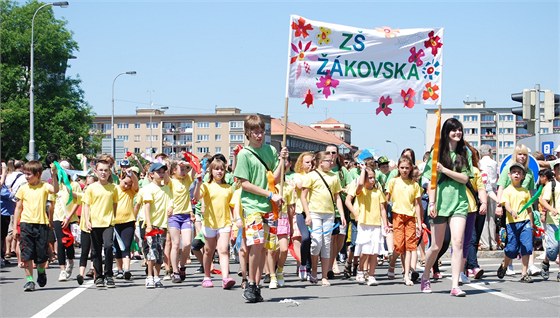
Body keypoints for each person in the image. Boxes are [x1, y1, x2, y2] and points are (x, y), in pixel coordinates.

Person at [233, 114, 288, 303]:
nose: (259, 135)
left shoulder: (270, 150)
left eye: (261, 131)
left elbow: (275, 176)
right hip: (253, 205)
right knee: (255, 245)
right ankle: (250, 283)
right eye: (255, 131)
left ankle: (256, 285)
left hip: (268, 207)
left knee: (265, 247)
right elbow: (244, 184)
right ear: (248, 133)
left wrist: (282, 160)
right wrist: (269, 194)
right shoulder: (244, 154)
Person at [420, 118, 471, 297]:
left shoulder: (465, 153)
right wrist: (431, 203)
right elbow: (430, 183)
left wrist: (445, 170)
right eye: (453, 130)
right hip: (440, 204)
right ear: (446, 132)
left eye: (459, 130)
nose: (457, 133)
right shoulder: (436, 153)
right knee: (436, 245)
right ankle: (425, 275)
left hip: (459, 203)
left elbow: (465, 179)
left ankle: (455, 285)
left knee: (457, 243)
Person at [301, 151, 347, 287]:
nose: (331, 162)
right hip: (315, 212)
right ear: (321, 162)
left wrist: (342, 214)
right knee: (316, 242)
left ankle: (324, 275)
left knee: (326, 244)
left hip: (329, 214)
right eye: (328, 160)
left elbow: (337, 197)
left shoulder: (334, 177)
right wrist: (308, 214)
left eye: (331, 160)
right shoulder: (311, 176)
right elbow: (303, 196)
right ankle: (314, 271)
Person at [14, 161, 59, 291]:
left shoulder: (45, 186)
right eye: (25, 174)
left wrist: (54, 175)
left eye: (29, 174)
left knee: (41, 255)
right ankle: (29, 281)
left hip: (41, 224)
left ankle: (41, 271)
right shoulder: (23, 188)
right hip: (26, 224)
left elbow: (55, 189)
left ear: (37, 174)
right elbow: (18, 208)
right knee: (27, 254)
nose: (26, 177)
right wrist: (15, 225)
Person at [193, 157, 235, 289]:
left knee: (223, 250)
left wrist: (234, 223)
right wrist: (199, 183)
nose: (219, 172)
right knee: (208, 251)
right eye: (216, 169)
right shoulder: (206, 186)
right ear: (211, 171)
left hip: (225, 222)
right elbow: (196, 197)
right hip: (209, 223)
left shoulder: (228, 188)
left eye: (222, 169)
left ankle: (225, 278)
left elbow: (232, 206)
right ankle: (207, 276)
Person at [346, 160, 388, 286]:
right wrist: (363, 170)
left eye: (373, 178)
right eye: (369, 178)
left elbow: (382, 209)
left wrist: (385, 223)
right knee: (365, 250)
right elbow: (359, 184)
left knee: (374, 251)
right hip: (364, 223)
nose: (372, 180)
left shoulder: (378, 192)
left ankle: (371, 275)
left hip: (376, 224)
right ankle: (360, 270)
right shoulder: (361, 191)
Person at [386, 155, 423, 286]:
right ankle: (392, 263)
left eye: (407, 168)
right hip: (397, 215)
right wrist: (386, 219)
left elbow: (418, 204)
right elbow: (386, 201)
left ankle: (406, 274)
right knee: (399, 245)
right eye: (402, 168)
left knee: (410, 247)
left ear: (411, 168)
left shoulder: (415, 185)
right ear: (398, 168)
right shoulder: (393, 182)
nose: (404, 170)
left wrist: (419, 222)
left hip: (411, 217)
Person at [83, 159, 119, 288]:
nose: (103, 173)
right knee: (96, 251)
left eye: (106, 170)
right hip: (94, 223)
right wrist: (87, 220)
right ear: (95, 172)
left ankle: (109, 274)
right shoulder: (91, 188)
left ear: (110, 172)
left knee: (109, 247)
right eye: (101, 170)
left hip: (108, 222)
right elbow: (86, 205)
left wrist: (113, 217)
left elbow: (115, 204)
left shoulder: (114, 188)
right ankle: (98, 276)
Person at [497, 163, 535, 283]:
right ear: (509, 175)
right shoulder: (507, 191)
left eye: (519, 172)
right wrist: (511, 211)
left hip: (525, 222)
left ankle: (524, 274)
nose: (516, 174)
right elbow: (506, 204)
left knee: (527, 247)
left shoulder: (525, 191)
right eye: (514, 172)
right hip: (512, 223)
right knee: (511, 249)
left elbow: (529, 208)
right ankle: (505, 265)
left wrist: (531, 223)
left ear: (523, 176)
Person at [142, 162, 172, 289]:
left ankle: (156, 276)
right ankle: (149, 276)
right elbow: (147, 207)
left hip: (163, 226)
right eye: (158, 172)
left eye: (162, 172)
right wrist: (148, 224)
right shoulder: (148, 189)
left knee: (160, 252)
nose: (161, 174)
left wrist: (170, 208)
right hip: (152, 225)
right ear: (151, 174)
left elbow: (170, 202)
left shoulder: (167, 188)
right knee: (151, 252)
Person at [168, 160, 195, 283]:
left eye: (185, 169)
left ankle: (182, 266)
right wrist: (174, 163)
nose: (184, 171)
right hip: (173, 216)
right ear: (174, 170)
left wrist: (186, 163)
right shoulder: (170, 181)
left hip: (185, 216)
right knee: (175, 243)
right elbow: (165, 176)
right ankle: (175, 271)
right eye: (181, 169)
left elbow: (194, 168)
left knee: (187, 243)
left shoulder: (187, 180)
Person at [52, 167, 81, 281]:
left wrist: (69, 217)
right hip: (57, 217)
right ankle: (62, 270)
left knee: (68, 243)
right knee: (60, 242)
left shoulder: (74, 185)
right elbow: (53, 201)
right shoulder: (57, 185)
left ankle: (70, 261)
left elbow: (78, 201)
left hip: (70, 218)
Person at [113, 164, 139, 280]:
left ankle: (127, 270)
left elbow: (136, 184)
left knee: (126, 246)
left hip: (128, 221)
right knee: (117, 247)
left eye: (129, 183)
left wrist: (131, 174)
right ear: (121, 180)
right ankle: (119, 269)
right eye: (125, 183)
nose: (127, 185)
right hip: (115, 222)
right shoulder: (114, 189)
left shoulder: (131, 191)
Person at [292, 151, 314, 281]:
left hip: (315, 210)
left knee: (313, 240)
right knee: (305, 237)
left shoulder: (315, 175)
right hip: (301, 211)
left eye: (312, 162)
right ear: (301, 163)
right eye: (307, 162)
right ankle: (303, 264)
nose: (310, 164)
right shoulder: (297, 176)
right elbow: (300, 185)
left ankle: (310, 269)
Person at [538, 162, 559, 282]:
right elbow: (543, 200)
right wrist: (550, 210)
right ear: (554, 171)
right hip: (553, 221)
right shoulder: (551, 185)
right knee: (553, 248)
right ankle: (546, 261)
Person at [478, 144, 499, 251]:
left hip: (483, 191)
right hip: (493, 191)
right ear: (490, 151)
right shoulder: (494, 163)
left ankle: (485, 243)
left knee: (484, 219)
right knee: (492, 219)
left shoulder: (479, 163)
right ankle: (493, 243)